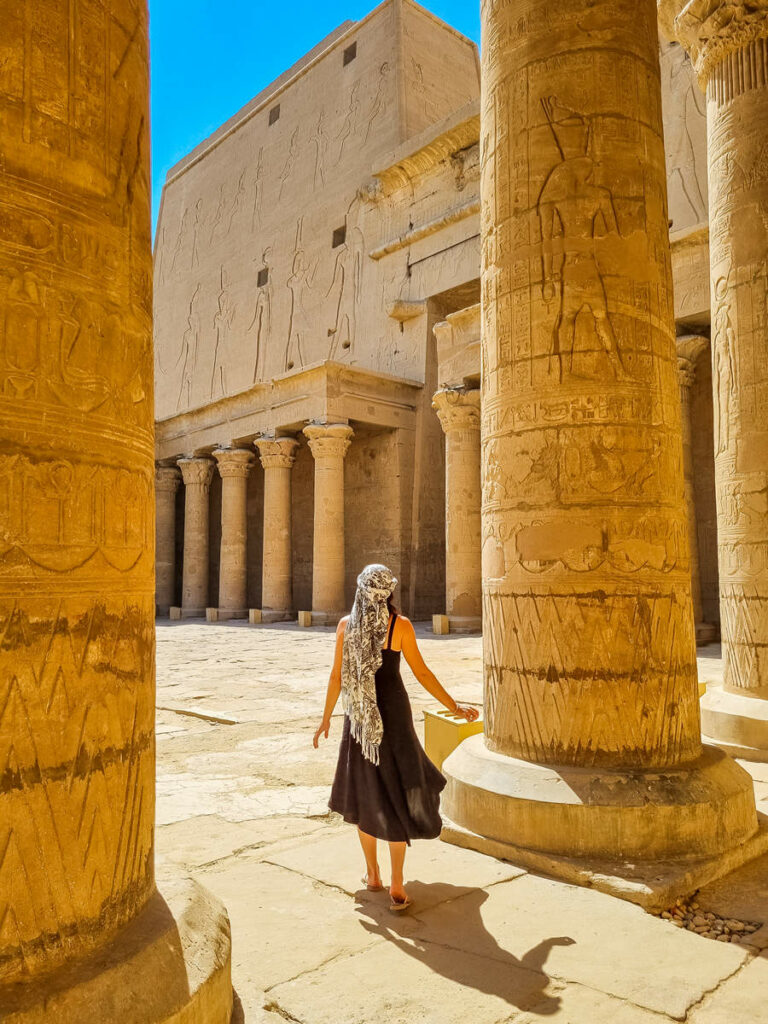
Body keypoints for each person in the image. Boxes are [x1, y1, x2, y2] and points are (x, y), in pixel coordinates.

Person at [313, 564, 479, 912]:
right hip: (395, 718)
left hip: (360, 720)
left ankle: (373, 875)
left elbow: (335, 678)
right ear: (388, 593)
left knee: (366, 791)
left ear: (360, 589)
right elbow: (421, 672)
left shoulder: (347, 626)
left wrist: (327, 717)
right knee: (399, 789)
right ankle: (398, 884)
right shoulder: (398, 626)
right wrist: (455, 706)